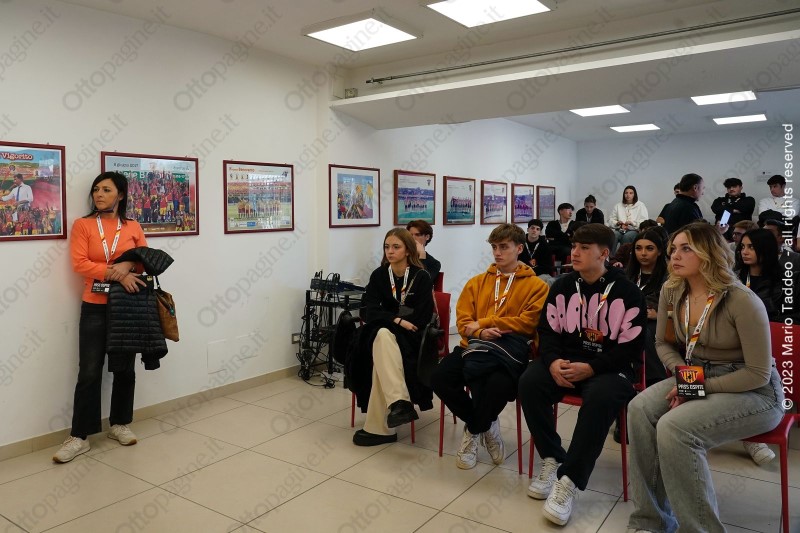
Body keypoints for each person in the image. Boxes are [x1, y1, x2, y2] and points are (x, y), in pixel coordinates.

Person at [627, 222, 784, 532]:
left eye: (686, 249)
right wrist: (686, 379)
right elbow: (663, 343)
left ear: (709, 253)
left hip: (755, 392)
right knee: (639, 409)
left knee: (675, 427)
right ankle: (651, 520)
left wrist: (695, 387)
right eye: (673, 249)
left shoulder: (742, 300)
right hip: (696, 373)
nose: (675, 256)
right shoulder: (672, 290)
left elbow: (758, 373)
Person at [520, 224, 646, 526]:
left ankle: (570, 481)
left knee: (602, 397)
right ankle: (552, 457)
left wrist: (591, 368)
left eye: (584, 248)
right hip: (565, 361)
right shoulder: (562, 285)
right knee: (530, 381)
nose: (574, 252)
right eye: (574, 246)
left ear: (604, 254)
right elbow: (547, 331)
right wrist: (552, 362)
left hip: (610, 368)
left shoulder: (628, 292)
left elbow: (631, 347)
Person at [431, 224, 549, 469]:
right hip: (473, 346)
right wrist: (480, 332)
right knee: (439, 377)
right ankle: (485, 424)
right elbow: (463, 322)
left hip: (510, 351)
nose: (497, 253)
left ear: (519, 249)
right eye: (494, 247)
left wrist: (484, 322)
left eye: (504, 247)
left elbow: (527, 323)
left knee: (498, 385)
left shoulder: (537, 286)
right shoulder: (476, 283)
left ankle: (473, 430)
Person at [54, 172, 148, 463]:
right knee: (90, 371)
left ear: (121, 195)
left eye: (106, 190)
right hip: (94, 305)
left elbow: (144, 260)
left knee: (125, 369)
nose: (99, 194)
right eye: (96, 189)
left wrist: (128, 265)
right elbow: (80, 264)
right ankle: (79, 436)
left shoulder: (132, 226)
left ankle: (120, 424)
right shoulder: (83, 225)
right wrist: (119, 274)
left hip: (127, 306)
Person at [347, 228, 434, 446]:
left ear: (408, 250)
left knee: (381, 352)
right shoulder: (379, 275)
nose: (390, 251)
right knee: (383, 336)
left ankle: (381, 427)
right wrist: (396, 319)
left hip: (412, 338)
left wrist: (387, 316)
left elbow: (421, 317)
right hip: (383, 333)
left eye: (396, 247)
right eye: (387, 247)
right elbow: (367, 310)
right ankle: (399, 402)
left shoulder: (421, 277)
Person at [626, 228, 669, 388]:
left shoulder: (669, 275)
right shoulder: (627, 274)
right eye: (638, 248)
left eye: (649, 248)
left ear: (659, 251)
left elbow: (662, 302)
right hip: (629, 318)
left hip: (658, 321)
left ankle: (656, 381)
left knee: (642, 331)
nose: (643, 253)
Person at [518, 218, 554, 285]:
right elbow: (517, 261)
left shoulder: (545, 245)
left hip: (540, 274)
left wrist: (530, 271)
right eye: (532, 228)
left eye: (537, 229)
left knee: (541, 281)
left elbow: (547, 267)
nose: (534, 231)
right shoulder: (520, 243)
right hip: (522, 273)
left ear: (540, 232)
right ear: (528, 229)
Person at [406, 219, 441, 284]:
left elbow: (423, 282)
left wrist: (422, 255)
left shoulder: (434, 263)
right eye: (410, 235)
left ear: (427, 237)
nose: (413, 238)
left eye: (417, 235)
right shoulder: (402, 256)